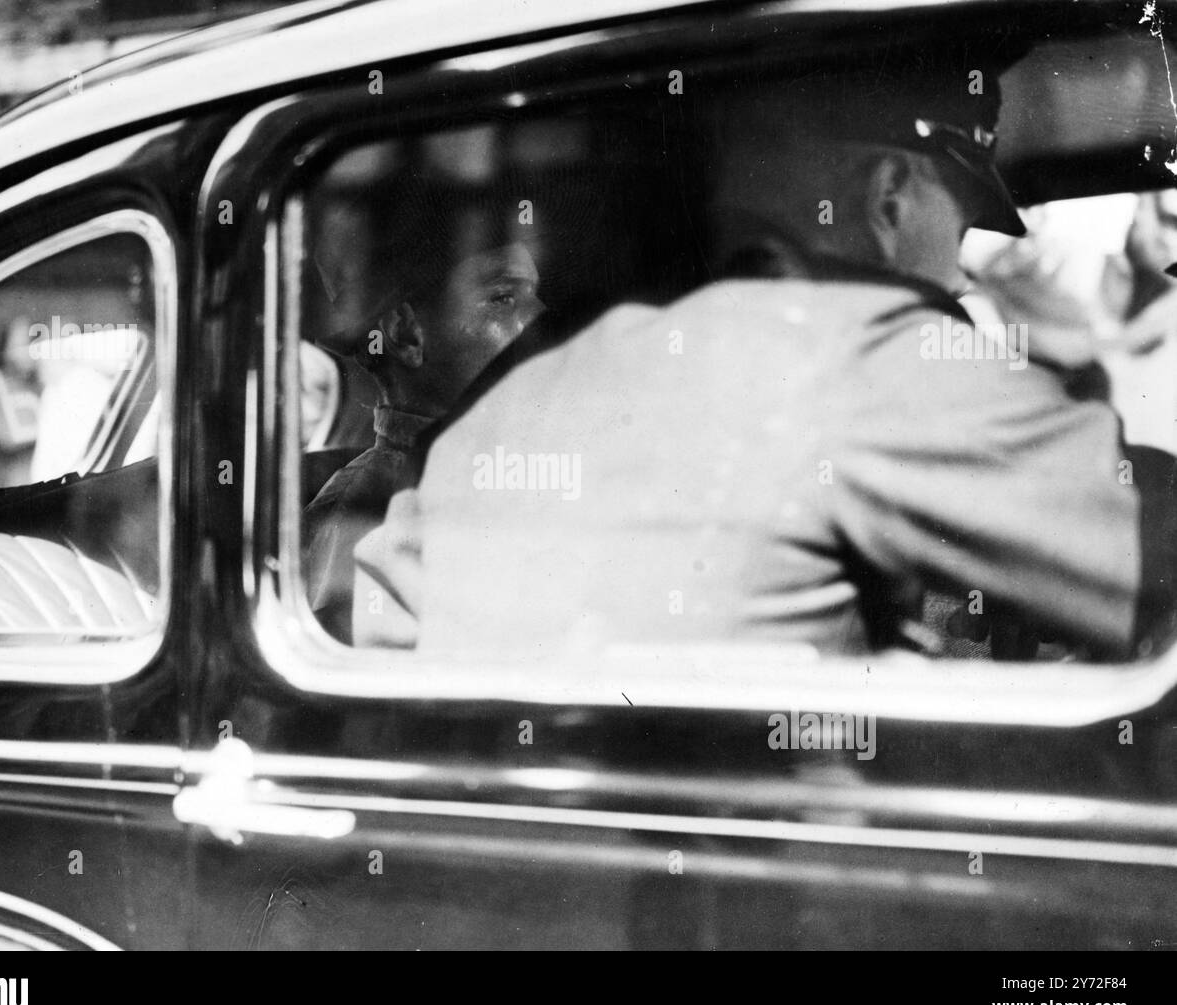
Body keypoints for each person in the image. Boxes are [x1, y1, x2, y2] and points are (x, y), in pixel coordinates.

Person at [352, 53, 1168, 661]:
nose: (960, 268)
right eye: (957, 230)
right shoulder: (863, 349)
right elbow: (1151, 545)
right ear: (887, 197)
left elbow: (386, 638)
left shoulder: (502, 406)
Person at [302, 181, 544, 642]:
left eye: (534, 295)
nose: (537, 320)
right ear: (407, 334)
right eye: (503, 298)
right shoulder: (362, 511)